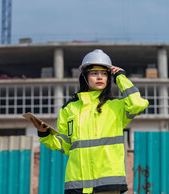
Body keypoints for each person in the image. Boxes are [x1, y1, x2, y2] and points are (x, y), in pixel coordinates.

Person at [31, 49, 149, 194]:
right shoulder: (70, 108)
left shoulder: (116, 106)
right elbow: (66, 145)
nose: (100, 77)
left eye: (104, 73)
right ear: (85, 76)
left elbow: (137, 104)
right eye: (94, 73)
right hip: (77, 184)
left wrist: (120, 77)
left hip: (107, 183)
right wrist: (45, 134)